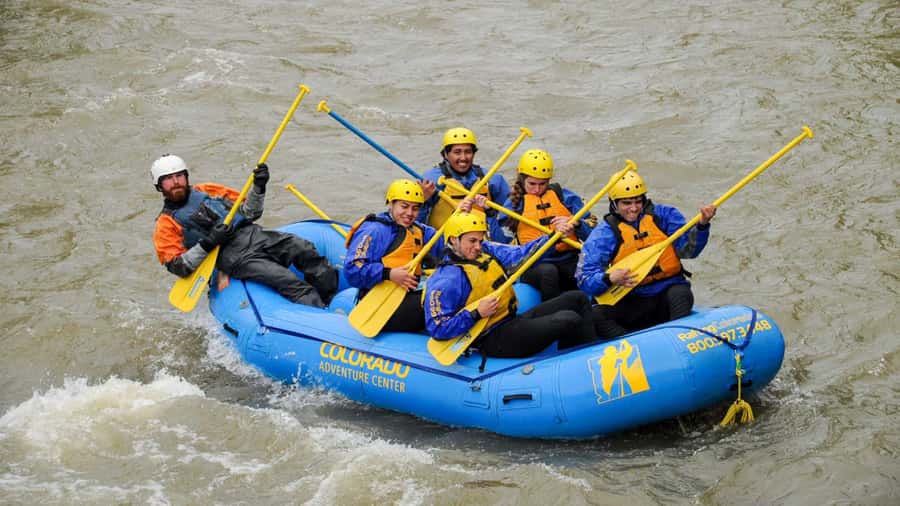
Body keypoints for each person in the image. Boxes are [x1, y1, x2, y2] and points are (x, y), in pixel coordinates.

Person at [152, 154, 338, 307]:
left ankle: (331, 298)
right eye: (168, 179)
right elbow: (179, 266)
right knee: (286, 280)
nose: (176, 182)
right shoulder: (165, 225)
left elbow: (251, 212)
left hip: (255, 234)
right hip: (232, 257)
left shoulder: (208, 190)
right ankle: (322, 316)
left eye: (179, 176)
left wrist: (259, 187)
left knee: (304, 248)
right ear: (159, 186)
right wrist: (209, 242)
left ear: (186, 176)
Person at [424, 212, 596, 359]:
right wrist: (475, 313)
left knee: (577, 298)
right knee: (569, 319)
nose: (478, 247)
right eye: (472, 241)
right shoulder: (446, 279)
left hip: (510, 321)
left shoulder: (485, 250)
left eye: (480, 240)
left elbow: (520, 254)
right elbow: (438, 328)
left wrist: (553, 238)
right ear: (454, 240)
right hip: (492, 339)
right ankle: (576, 368)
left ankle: (593, 354)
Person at [576, 170, 717, 339]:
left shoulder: (664, 216)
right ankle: (633, 346)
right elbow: (585, 279)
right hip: (632, 298)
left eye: (638, 201)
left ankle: (679, 339)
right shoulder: (604, 234)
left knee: (681, 294)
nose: (633, 208)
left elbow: (689, 251)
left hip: (667, 291)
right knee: (597, 316)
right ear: (614, 203)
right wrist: (609, 278)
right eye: (626, 203)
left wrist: (702, 226)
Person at [343, 179, 443, 333]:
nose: (409, 214)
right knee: (440, 302)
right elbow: (352, 270)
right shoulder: (374, 230)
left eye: (415, 209)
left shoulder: (419, 230)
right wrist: (389, 274)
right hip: (379, 304)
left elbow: (448, 243)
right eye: (404, 206)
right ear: (391, 204)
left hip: (406, 296)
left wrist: (462, 217)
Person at [501, 149, 594, 301]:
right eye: (532, 184)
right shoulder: (512, 206)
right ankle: (554, 311)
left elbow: (593, 234)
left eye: (542, 184)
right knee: (548, 272)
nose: (537, 190)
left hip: (567, 257)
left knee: (583, 268)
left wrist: (576, 224)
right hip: (533, 264)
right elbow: (499, 240)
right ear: (521, 179)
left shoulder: (564, 196)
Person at [418, 127, 511, 242]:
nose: (463, 158)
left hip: (481, 246)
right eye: (457, 152)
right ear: (446, 154)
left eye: (468, 152)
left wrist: (490, 212)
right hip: (444, 247)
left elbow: (508, 221)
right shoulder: (431, 181)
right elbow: (414, 224)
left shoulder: (492, 180)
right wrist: (423, 202)